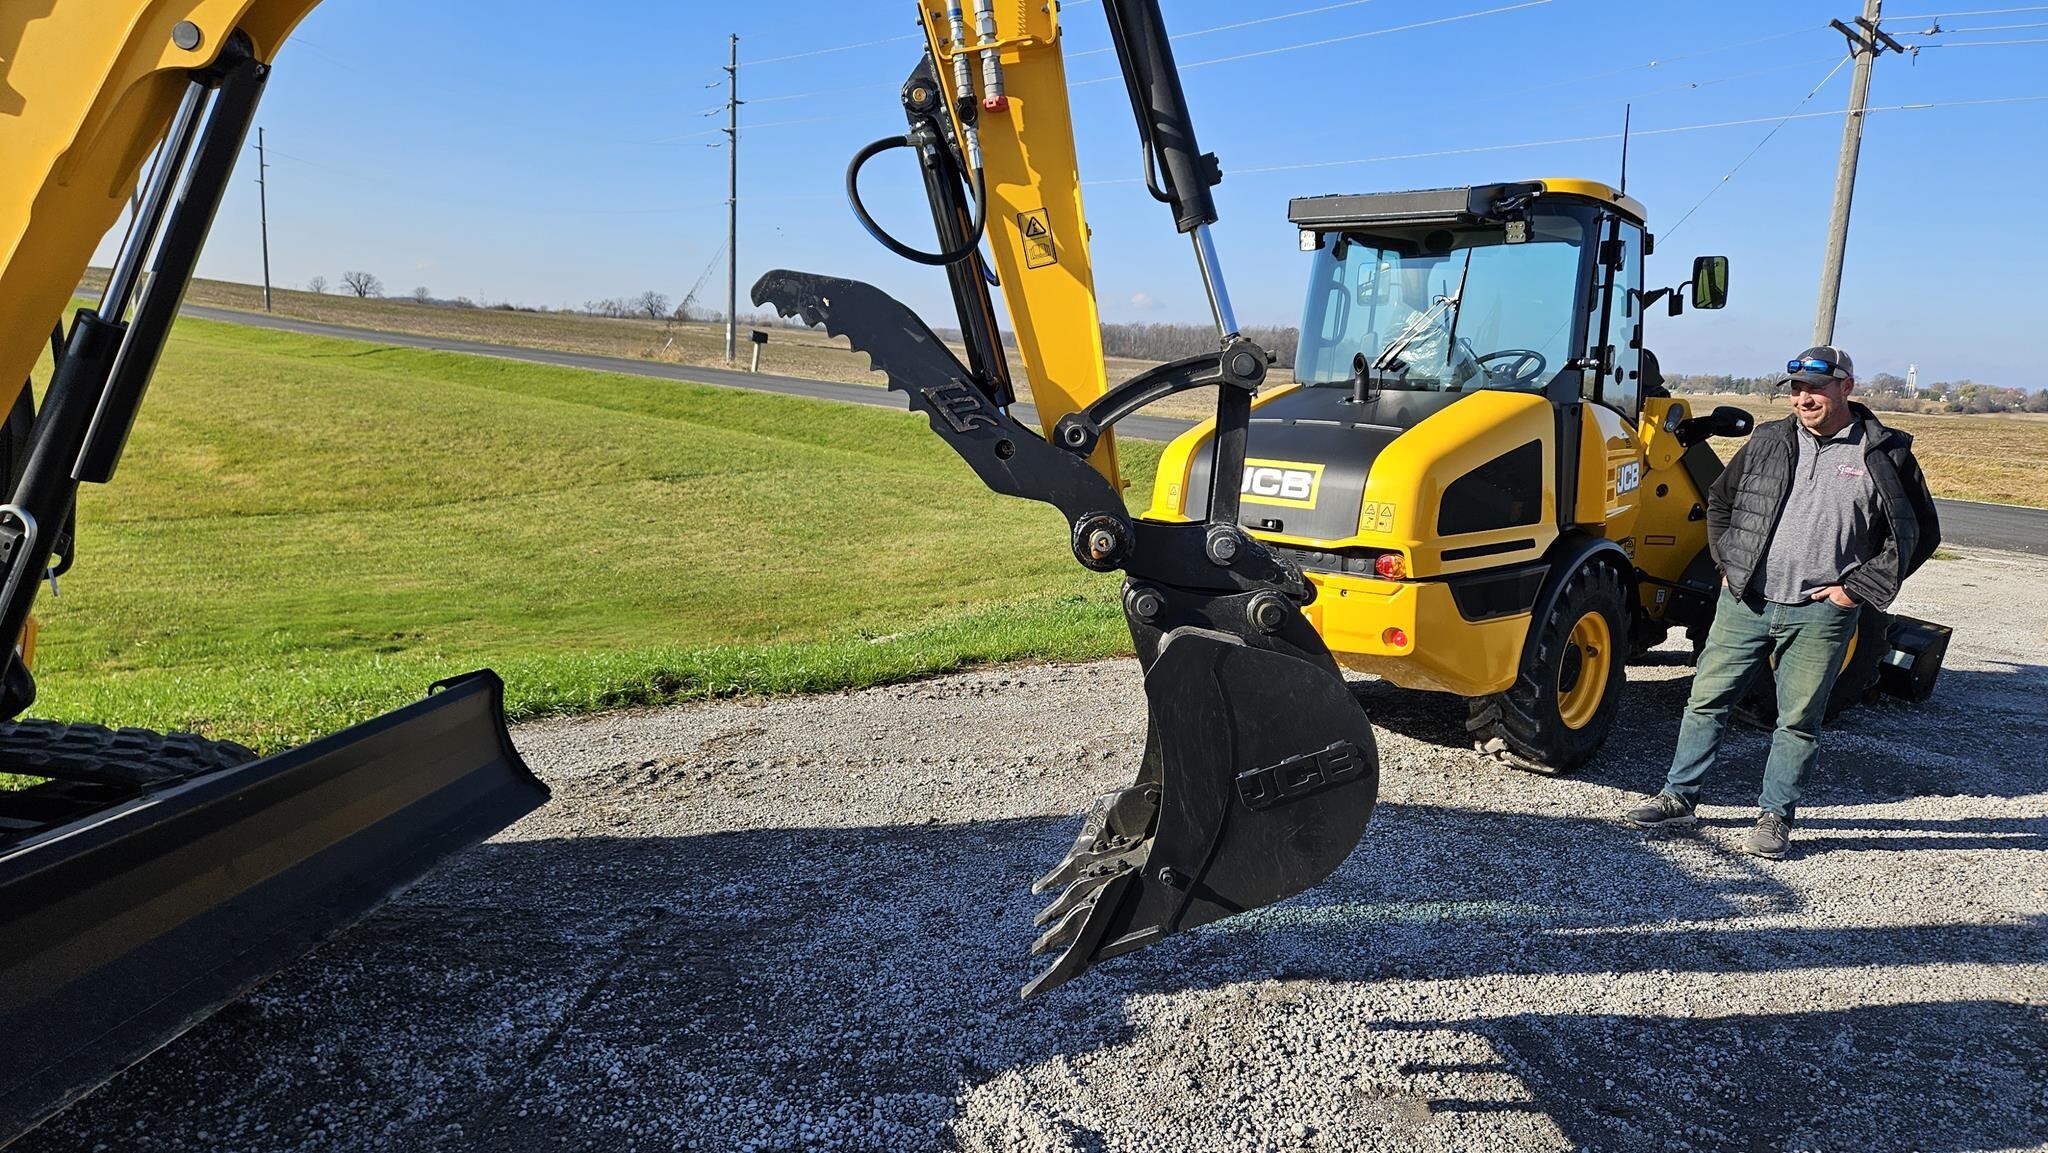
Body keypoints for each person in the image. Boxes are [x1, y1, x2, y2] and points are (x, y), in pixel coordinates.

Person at [1625, 345, 1940, 857]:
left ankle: (1775, 817)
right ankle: (1678, 797)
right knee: (1706, 702)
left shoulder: (1885, 453)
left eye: (1815, 389)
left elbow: (1917, 534)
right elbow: (1721, 501)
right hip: (1746, 602)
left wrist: (1855, 590)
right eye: (1796, 390)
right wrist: (1729, 565)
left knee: (1797, 721)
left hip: (1821, 614)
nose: (1803, 399)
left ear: (1846, 387)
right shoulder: (1770, 440)